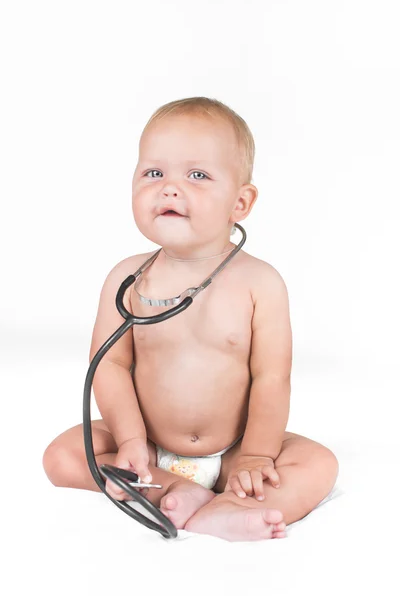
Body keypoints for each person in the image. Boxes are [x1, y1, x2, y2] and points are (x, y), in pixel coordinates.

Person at [42, 96, 339, 541]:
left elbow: (272, 379)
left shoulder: (261, 283)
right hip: (147, 448)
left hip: (235, 451)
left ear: (240, 203)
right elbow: (109, 366)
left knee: (319, 464)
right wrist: (129, 440)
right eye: (153, 172)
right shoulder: (127, 278)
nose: (169, 187)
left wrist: (257, 455)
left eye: (197, 175)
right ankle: (176, 492)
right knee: (63, 455)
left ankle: (232, 505)